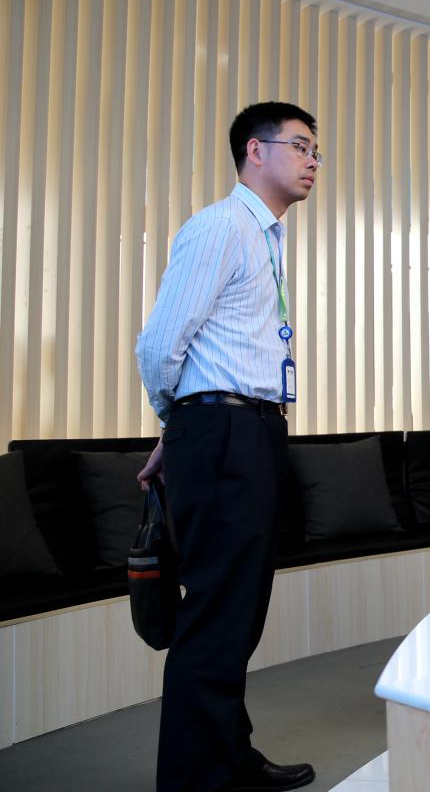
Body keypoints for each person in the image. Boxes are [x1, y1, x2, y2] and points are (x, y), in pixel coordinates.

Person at [135, 102, 318, 792]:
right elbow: (160, 343)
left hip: (250, 429)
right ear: (254, 150)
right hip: (223, 432)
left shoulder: (265, 236)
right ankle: (195, 779)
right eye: (299, 146)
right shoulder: (221, 226)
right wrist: (179, 421)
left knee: (238, 610)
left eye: (316, 151)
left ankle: (228, 756)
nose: (312, 161)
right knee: (216, 610)